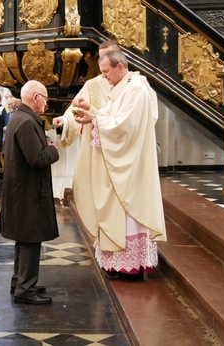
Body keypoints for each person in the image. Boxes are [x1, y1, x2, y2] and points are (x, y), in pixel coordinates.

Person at [67, 50, 167, 279]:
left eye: (106, 71)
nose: (103, 77)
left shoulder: (136, 89)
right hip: (123, 165)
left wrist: (95, 119)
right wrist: (92, 112)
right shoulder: (122, 88)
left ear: (120, 67)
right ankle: (119, 264)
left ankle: (130, 269)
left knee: (127, 213)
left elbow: (124, 126)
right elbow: (111, 115)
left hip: (129, 168)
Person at [0, 80, 59, 305]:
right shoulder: (26, 122)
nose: (46, 102)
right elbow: (37, 158)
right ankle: (25, 289)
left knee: (25, 239)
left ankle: (22, 282)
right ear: (35, 97)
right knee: (30, 239)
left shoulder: (20, 117)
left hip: (22, 190)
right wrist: (52, 150)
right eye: (44, 98)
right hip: (28, 193)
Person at [51, 40, 121, 204]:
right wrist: (64, 121)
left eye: (108, 56)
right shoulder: (93, 84)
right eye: (101, 56)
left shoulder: (133, 84)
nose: (104, 61)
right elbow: (76, 109)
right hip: (99, 148)